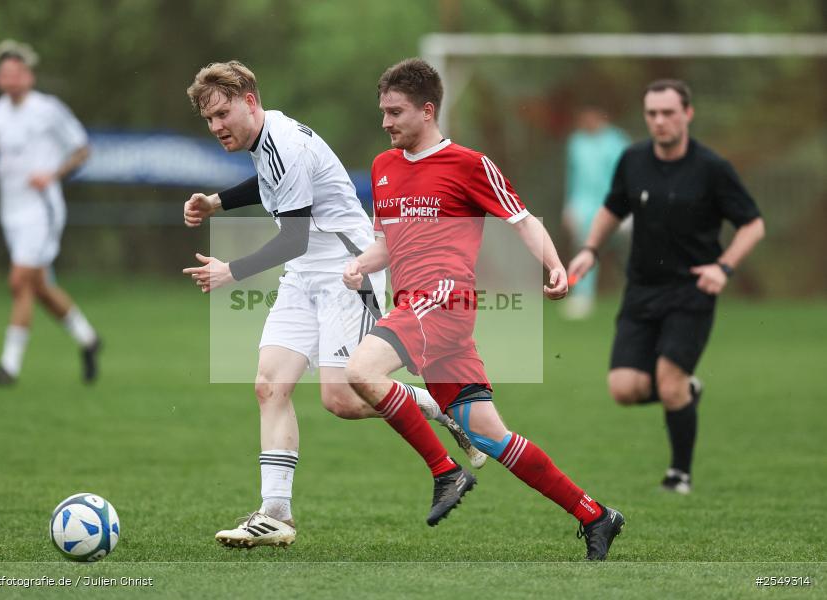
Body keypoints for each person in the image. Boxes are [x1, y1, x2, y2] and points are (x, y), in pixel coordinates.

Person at [181, 61, 485, 549]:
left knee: (341, 400)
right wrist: (216, 202)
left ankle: (442, 407)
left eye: (222, 114)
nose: (217, 127)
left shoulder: (286, 144)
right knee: (268, 385)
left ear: (250, 102)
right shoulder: (266, 141)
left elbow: (296, 238)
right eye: (209, 120)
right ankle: (276, 514)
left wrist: (231, 270)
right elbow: (272, 187)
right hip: (304, 274)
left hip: (348, 269)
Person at [342, 58, 625, 561]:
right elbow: (386, 243)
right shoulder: (383, 169)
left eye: (395, 112)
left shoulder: (469, 164)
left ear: (428, 111)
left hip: (446, 301)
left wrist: (555, 264)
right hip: (416, 308)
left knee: (361, 371)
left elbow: (521, 220)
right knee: (489, 435)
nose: (385, 122)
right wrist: (361, 264)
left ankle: (445, 471)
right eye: (382, 112)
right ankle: (595, 515)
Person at [568, 79, 765, 494]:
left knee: (669, 382)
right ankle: (686, 391)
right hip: (641, 289)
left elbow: (753, 224)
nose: (660, 121)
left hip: (691, 291)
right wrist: (590, 250)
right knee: (624, 388)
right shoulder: (633, 159)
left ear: (687, 114)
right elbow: (612, 207)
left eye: (669, 113)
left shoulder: (711, 168)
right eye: (652, 114)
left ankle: (679, 475)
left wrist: (724, 268)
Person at [0, 40, 101, 386]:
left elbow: (81, 149)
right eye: (3, 72)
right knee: (39, 286)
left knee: (18, 281)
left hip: (41, 210)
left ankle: (9, 367)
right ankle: (88, 339)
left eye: (15, 71)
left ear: (28, 76)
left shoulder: (48, 108)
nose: (8, 77)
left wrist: (53, 174)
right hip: (10, 211)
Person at [561, 106, 630, 319]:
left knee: (626, 251)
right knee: (584, 248)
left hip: (614, 203)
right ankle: (582, 296)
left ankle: (635, 295)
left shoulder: (617, 141)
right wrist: (570, 206)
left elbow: (627, 175)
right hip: (585, 204)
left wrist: (629, 206)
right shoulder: (576, 143)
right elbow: (573, 177)